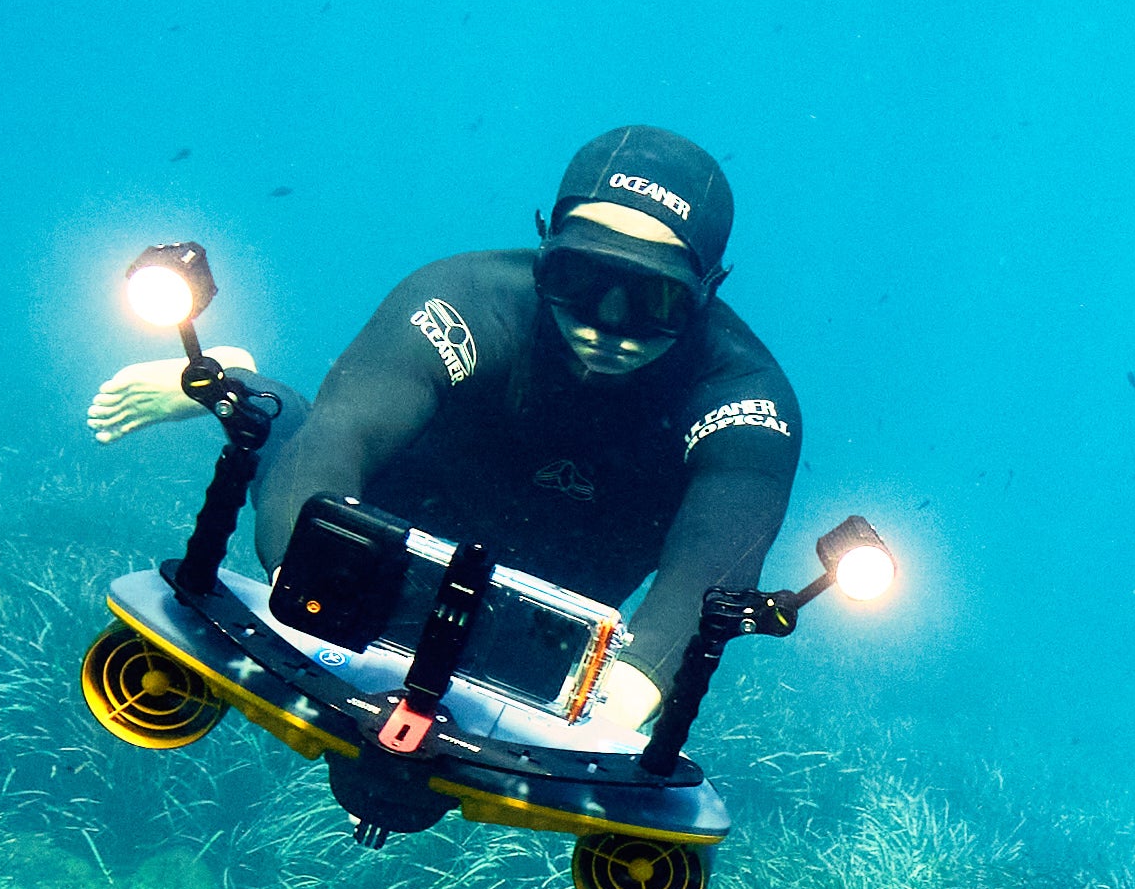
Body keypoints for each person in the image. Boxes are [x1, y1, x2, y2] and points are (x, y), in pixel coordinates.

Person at [85, 126, 803, 781]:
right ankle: (236, 381)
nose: (608, 326)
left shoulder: (745, 397)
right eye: (580, 281)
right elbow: (343, 438)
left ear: (708, 290)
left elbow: (709, 572)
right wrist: (312, 586)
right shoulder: (462, 300)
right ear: (544, 248)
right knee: (293, 435)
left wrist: (625, 697)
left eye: (656, 299)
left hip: (550, 638)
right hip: (378, 548)